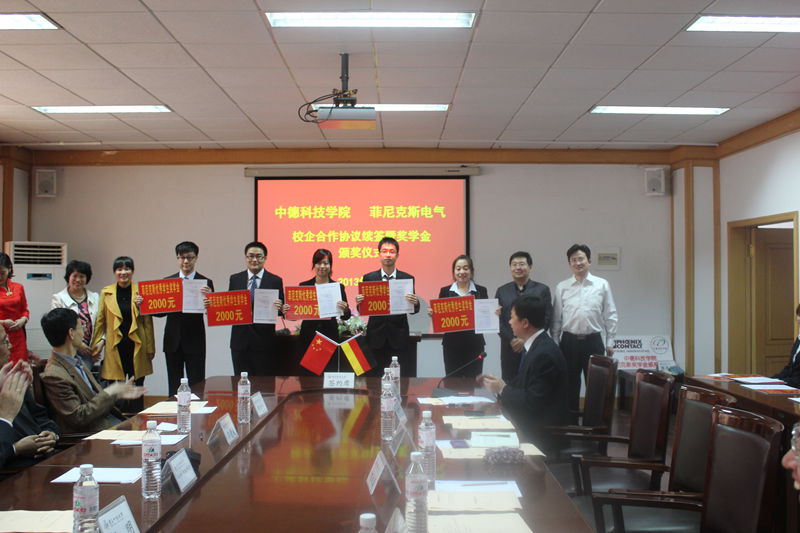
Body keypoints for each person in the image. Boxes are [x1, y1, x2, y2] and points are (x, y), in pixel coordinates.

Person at [479, 295, 568, 454]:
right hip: (530, 424)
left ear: (525, 323)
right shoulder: (536, 346)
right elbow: (522, 384)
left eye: (512, 317)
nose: (509, 322)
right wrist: (497, 384)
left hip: (541, 434)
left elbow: (532, 402)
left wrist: (503, 389)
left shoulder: (544, 354)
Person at [41, 308, 145, 434]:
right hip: (92, 434)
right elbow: (78, 417)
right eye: (81, 327)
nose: (84, 332)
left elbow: (95, 399)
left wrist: (117, 393)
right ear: (71, 333)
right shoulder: (54, 374)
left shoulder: (77, 361)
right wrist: (110, 392)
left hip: (109, 423)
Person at [551, 244, 618, 416]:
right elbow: (556, 318)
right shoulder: (562, 287)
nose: (577, 263)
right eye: (573, 260)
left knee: (596, 385)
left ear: (589, 261)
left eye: (581, 259)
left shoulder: (602, 285)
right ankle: (571, 423)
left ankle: (594, 425)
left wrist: (610, 341)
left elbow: (610, 313)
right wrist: (556, 342)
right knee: (569, 385)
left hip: (593, 341)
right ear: (569, 264)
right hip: (569, 342)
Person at [90, 256, 154, 412]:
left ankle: (137, 417)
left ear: (133, 271)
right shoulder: (106, 292)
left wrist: (150, 348)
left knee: (138, 384)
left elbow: (148, 322)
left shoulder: (141, 291)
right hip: (115, 345)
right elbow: (100, 321)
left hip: (137, 345)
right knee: (116, 386)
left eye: (127, 269)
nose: (123, 272)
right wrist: (96, 344)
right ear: (114, 272)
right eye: (119, 269)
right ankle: (116, 419)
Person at [356, 237, 420, 376]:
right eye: (384, 251)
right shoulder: (369, 278)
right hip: (375, 337)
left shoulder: (406, 278)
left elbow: (413, 310)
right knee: (375, 380)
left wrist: (415, 303)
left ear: (397, 255)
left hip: (399, 337)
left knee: (399, 378)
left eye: (392, 251)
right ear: (379, 254)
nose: (388, 255)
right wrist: (359, 303)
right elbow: (363, 309)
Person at [157, 242, 214, 397]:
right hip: (172, 340)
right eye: (182, 257)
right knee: (173, 385)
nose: (186, 261)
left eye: (190, 257)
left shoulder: (206, 282)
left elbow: (212, 314)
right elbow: (160, 312)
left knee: (197, 383)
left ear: (196, 258)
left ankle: (197, 411)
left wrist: (210, 300)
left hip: (195, 340)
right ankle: (173, 410)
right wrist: (143, 304)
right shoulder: (168, 282)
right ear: (177, 258)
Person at [0, 326, 59, 468]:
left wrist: (50, 434)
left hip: (48, 459)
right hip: (17, 471)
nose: (11, 346)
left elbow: (41, 418)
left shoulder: (11, 380)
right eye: (5, 342)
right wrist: (16, 449)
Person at [228, 241, 284, 376]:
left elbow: (281, 310)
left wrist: (280, 307)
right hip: (239, 341)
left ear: (265, 258)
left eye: (258, 256)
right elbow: (230, 306)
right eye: (251, 256)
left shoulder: (275, 280)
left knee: (264, 383)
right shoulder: (235, 279)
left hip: (264, 341)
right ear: (245, 258)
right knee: (240, 382)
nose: (254, 260)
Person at [494, 251, 552, 381]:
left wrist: (525, 340)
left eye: (521, 264)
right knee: (509, 383)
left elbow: (547, 318)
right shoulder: (502, 291)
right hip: (509, 347)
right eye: (514, 264)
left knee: (533, 381)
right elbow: (497, 320)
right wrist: (512, 340)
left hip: (534, 347)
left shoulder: (542, 290)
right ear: (510, 268)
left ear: (530, 267)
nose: (518, 267)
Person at [290, 249, 350, 373]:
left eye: (326, 263)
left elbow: (346, 316)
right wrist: (288, 309)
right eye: (319, 263)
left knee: (328, 371)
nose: (322, 266)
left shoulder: (338, 287)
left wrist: (345, 309)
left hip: (329, 335)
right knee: (307, 375)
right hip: (308, 335)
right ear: (314, 265)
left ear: (330, 265)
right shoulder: (304, 286)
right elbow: (295, 315)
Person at [429, 255, 488, 377]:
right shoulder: (445, 291)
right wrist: (434, 315)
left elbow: (486, 315)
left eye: (466, 268)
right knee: (452, 381)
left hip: (475, 344)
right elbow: (441, 319)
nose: (462, 272)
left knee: (473, 381)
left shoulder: (481, 291)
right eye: (458, 269)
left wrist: (494, 312)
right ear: (454, 272)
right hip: (452, 345)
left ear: (471, 271)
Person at [51, 260, 99, 370]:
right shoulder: (58, 298)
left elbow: (101, 323)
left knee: (85, 379)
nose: (78, 280)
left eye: (82, 276)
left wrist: (100, 343)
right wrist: (79, 344)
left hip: (89, 351)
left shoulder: (95, 297)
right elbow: (58, 326)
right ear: (68, 277)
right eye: (75, 276)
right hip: (67, 350)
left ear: (87, 278)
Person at [0, 252, 29, 364]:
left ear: (9, 269)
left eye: (2, 273)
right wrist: (2, 323)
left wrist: (23, 320)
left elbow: (24, 310)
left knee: (21, 368)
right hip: (1, 338)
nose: (0, 277)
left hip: (18, 335)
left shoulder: (18, 287)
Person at [772, 304, 800, 387]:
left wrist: (783, 382)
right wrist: (771, 380)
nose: (798, 319)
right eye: (798, 315)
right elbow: (790, 368)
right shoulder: (798, 338)